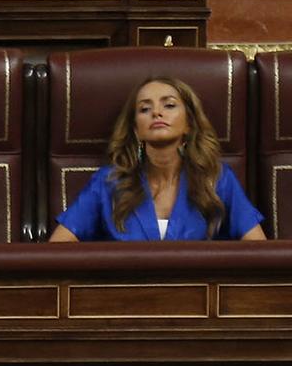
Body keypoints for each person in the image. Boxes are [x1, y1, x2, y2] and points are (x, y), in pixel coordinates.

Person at [50, 75, 264, 242]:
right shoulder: (109, 181)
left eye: (169, 105)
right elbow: (59, 247)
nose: (157, 113)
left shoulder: (217, 178)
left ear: (189, 124)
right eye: (145, 108)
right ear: (135, 130)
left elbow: (257, 250)